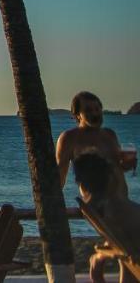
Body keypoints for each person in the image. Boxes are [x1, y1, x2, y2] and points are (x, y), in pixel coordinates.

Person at [73, 153, 140, 283]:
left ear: (81, 184)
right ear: (112, 179)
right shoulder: (119, 210)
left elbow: (127, 255)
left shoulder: (98, 213)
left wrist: (99, 256)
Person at [58, 91, 128, 198]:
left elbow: (118, 171)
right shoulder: (69, 138)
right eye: (88, 110)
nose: (94, 114)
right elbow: (60, 177)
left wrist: (127, 164)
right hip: (96, 206)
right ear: (78, 115)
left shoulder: (109, 135)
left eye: (97, 109)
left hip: (121, 203)